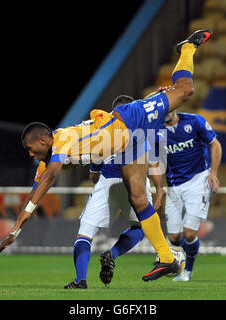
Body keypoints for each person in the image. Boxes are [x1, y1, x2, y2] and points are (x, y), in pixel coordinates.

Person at [0, 29, 213, 282]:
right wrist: (16, 230)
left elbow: (50, 177)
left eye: (32, 150)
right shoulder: (46, 161)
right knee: (138, 198)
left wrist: (24, 216)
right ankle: (166, 258)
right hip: (125, 145)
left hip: (131, 119)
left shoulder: (61, 142)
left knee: (185, 90)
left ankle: (187, 48)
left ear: (44, 140)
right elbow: (36, 192)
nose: (31, 155)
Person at [64, 95, 166, 289]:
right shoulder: (143, 127)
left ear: (114, 110)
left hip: (108, 181)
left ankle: (80, 280)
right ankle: (113, 253)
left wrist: (94, 173)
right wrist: (160, 189)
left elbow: (94, 168)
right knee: (140, 227)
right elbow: (154, 163)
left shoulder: (104, 127)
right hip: (136, 181)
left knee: (84, 234)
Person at [156, 109, 222, 281]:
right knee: (174, 238)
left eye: (168, 109)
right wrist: (158, 188)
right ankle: (180, 258)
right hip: (173, 186)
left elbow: (216, 144)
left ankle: (187, 271)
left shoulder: (194, 121)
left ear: (175, 107)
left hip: (198, 181)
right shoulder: (156, 132)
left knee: (190, 234)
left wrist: (213, 174)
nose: (166, 113)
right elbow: (154, 162)